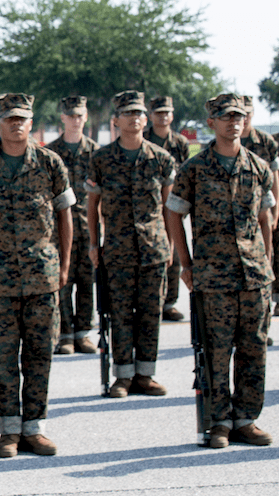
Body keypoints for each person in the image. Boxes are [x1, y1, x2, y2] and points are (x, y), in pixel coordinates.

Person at [0, 92, 74, 458]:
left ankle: (33, 428)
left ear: (31, 121)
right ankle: (8, 430)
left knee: (40, 353)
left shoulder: (50, 163)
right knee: (4, 356)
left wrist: (65, 264)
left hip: (42, 276)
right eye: (10, 118)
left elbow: (64, 216)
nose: (16, 124)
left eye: (22, 118)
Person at [164, 93, 274, 448]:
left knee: (253, 348)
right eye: (226, 116)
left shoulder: (258, 166)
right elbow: (174, 214)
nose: (234, 122)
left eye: (239, 116)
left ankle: (246, 419)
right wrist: (185, 263)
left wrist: (267, 260)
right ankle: (219, 422)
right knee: (215, 351)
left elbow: (265, 218)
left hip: (254, 275)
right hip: (213, 276)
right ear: (211, 122)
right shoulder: (195, 169)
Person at [86, 91, 175, 398]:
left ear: (145, 120)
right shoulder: (101, 159)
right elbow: (93, 206)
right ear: (116, 121)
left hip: (153, 248)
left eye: (139, 114)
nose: (134, 118)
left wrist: (171, 244)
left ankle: (145, 374)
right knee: (120, 312)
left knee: (151, 312)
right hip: (117, 249)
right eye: (128, 114)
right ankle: (122, 375)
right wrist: (94, 245)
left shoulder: (161, 159)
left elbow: (168, 208)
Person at [45, 96, 100, 355]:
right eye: (71, 116)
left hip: (89, 227)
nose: (76, 120)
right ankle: (65, 334)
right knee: (62, 281)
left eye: (80, 115)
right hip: (59, 229)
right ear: (63, 118)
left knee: (88, 282)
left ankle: (83, 333)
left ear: (85, 117)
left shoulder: (97, 153)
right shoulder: (51, 153)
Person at [141, 96, 190, 322]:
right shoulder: (143, 139)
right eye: (159, 112)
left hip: (174, 204)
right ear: (151, 116)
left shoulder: (180, 143)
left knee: (175, 254)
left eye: (167, 112)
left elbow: (186, 174)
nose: (163, 116)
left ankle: (170, 302)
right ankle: (151, 302)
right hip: (147, 206)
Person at [238, 96, 279, 318]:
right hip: (239, 215)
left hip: (265, 211)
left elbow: (274, 180)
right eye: (240, 113)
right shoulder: (229, 140)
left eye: (248, 113)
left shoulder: (266, 142)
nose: (244, 117)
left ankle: (274, 304)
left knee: (271, 257)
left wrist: (274, 213)